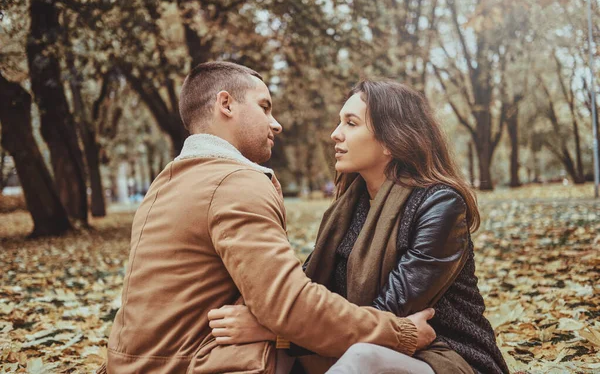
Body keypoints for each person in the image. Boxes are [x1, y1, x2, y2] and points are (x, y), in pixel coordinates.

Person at [102, 64, 437, 373]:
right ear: (226, 104)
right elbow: (291, 306)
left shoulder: (167, 183)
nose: (276, 123)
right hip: (198, 364)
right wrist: (401, 333)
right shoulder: (234, 182)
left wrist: (272, 328)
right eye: (264, 107)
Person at [208, 80, 509, 374]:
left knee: (362, 357)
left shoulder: (440, 205)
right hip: (358, 343)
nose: (335, 134)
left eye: (351, 124)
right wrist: (275, 327)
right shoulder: (349, 207)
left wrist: (276, 332)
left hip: (442, 353)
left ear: (392, 140)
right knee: (265, 355)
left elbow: (387, 316)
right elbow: (311, 295)